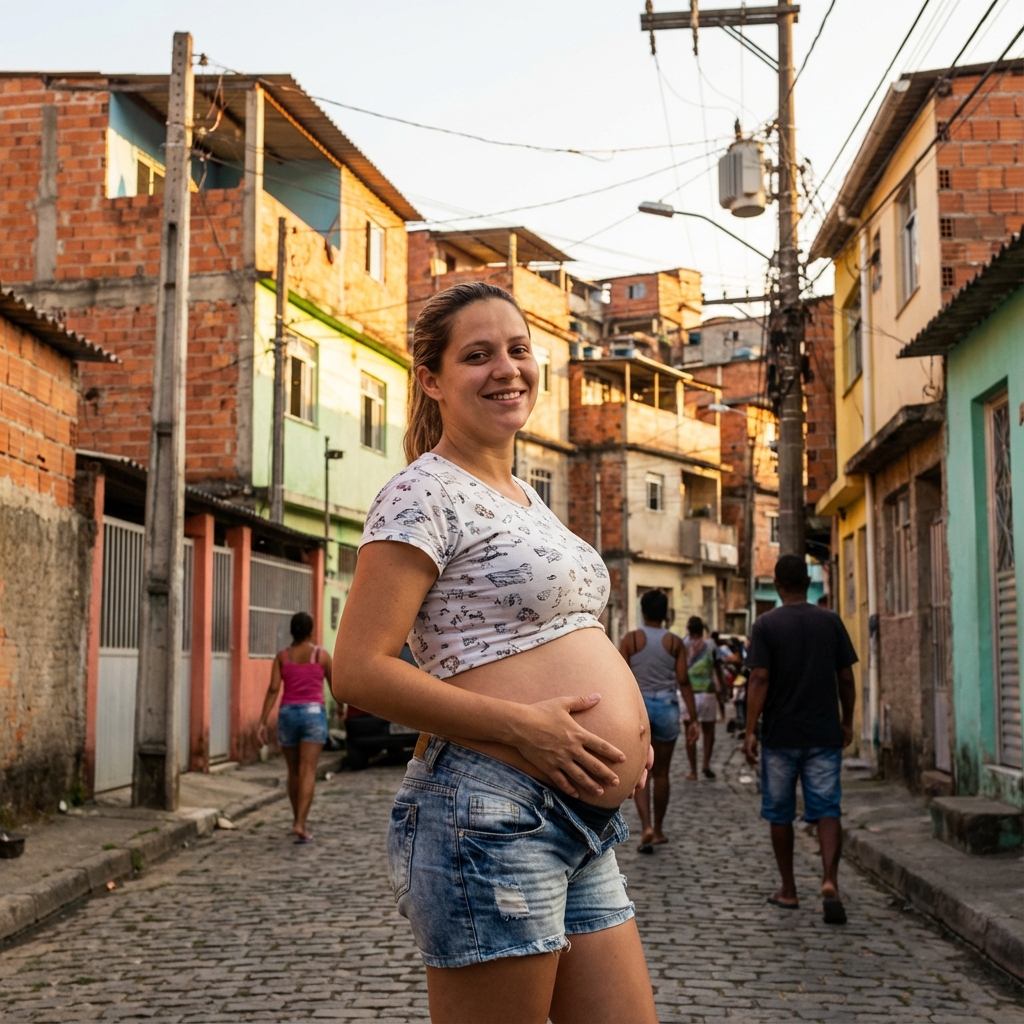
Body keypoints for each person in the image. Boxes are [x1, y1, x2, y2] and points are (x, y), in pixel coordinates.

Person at [333, 282, 658, 1024]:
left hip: (580, 823)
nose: (506, 369)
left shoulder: (526, 496)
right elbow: (358, 670)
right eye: (477, 356)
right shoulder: (423, 494)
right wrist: (522, 727)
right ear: (432, 380)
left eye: (517, 349)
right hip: (492, 814)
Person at [742, 554, 857, 925]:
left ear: (777, 585)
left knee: (780, 812)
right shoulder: (830, 621)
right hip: (823, 732)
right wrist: (848, 720)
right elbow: (846, 679)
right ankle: (829, 881)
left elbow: (758, 678)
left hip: (780, 735)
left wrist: (749, 730)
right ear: (808, 584)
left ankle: (788, 890)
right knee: (827, 808)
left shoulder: (766, 625)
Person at [620, 589, 699, 853]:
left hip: (638, 710)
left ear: (642, 611)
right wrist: (694, 719)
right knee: (662, 773)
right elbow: (684, 681)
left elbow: (618, 678)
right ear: (666, 614)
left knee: (643, 770)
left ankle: (646, 827)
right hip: (666, 708)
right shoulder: (675, 643)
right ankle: (660, 829)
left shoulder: (630, 640)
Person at [256, 612, 332, 844]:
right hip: (313, 714)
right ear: (311, 631)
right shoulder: (321, 656)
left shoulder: (283, 656)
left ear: (292, 632)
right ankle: (301, 823)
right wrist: (341, 710)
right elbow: (336, 686)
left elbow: (273, 689)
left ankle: (295, 819)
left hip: (288, 714)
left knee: (294, 771)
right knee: (309, 770)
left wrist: (262, 721)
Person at [679, 616, 724, 779]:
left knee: (690, 732)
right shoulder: (711, 645)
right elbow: (718, 667)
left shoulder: (683, 645)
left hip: (688, 694)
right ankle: (706, 763)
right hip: (708, 693)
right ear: (702, 629)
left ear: (689, 629)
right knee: (709, 732)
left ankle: (693, 771)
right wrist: (723, 688)